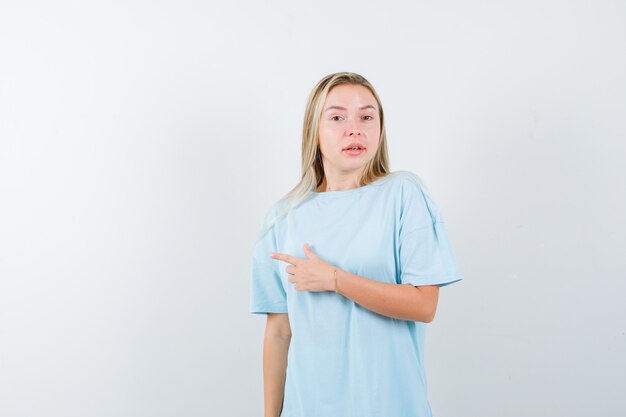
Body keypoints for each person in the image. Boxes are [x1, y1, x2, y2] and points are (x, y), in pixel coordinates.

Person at [249, 72, 464, 417]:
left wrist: (335, 280)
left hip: (391, 406)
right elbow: (278, 331)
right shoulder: (282, 218)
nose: (355, 129)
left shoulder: (403, 194)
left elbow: (425, 305)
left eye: (367, 117)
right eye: (337, 118)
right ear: (314, 131)